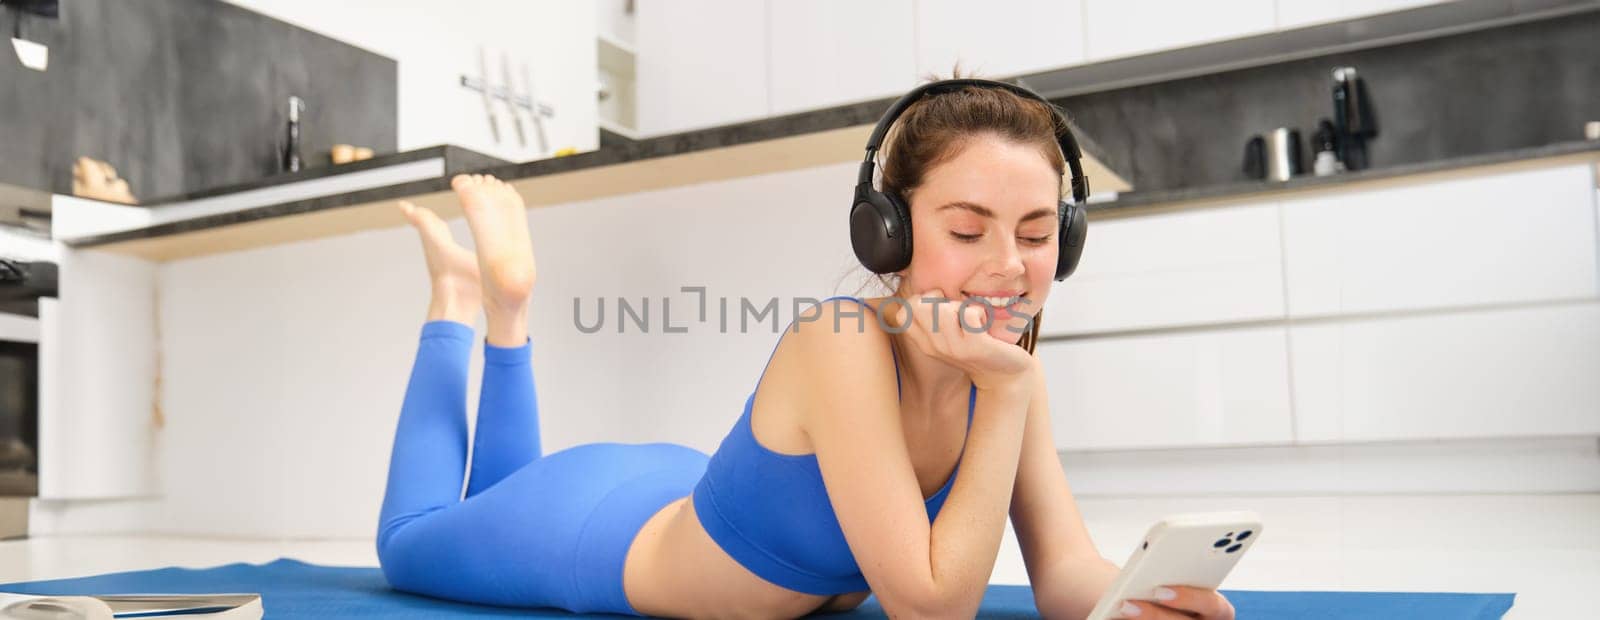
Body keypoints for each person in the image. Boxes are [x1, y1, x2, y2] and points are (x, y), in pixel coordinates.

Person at [376, 79, 1236, 620]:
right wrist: (1005, 393)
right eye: (967, 230)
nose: (1008, 267)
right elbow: (932, 608)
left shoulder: (1009, 373)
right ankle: (471, 304)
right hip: (596, 531)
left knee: (483, 500)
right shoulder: (845, 341)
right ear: (887, 234)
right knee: (413, 541)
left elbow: (1063, 571)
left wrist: (1133, 598)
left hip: (677, 486)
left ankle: (507, 311)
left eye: (1039, 233)